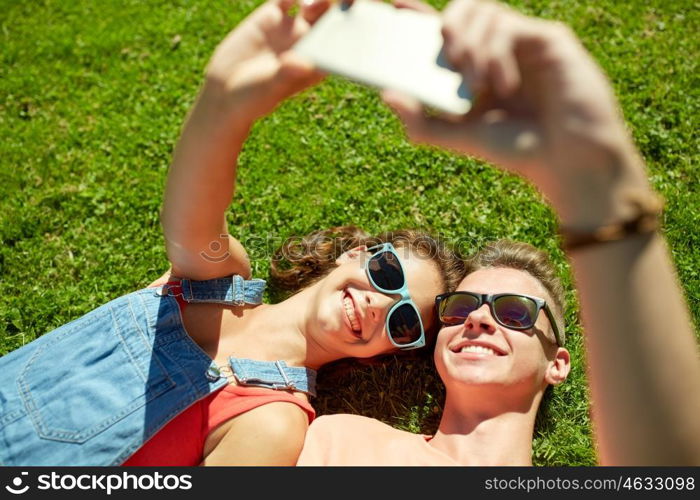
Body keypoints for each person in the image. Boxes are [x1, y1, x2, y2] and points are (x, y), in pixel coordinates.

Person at [0, 0, 466, 466]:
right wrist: (223, 101)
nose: (378, 303)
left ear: (383, 354)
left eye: (402, 322)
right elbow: (192, 215)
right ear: (356, 254)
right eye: (387, 274)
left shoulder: (274, 425)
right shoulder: (218, 281)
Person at [297, 0, 700, 465]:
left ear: (558, 363)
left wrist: (600, 185)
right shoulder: (341, 439)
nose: (477, 319)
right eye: (461, 307)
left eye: (514, 311)